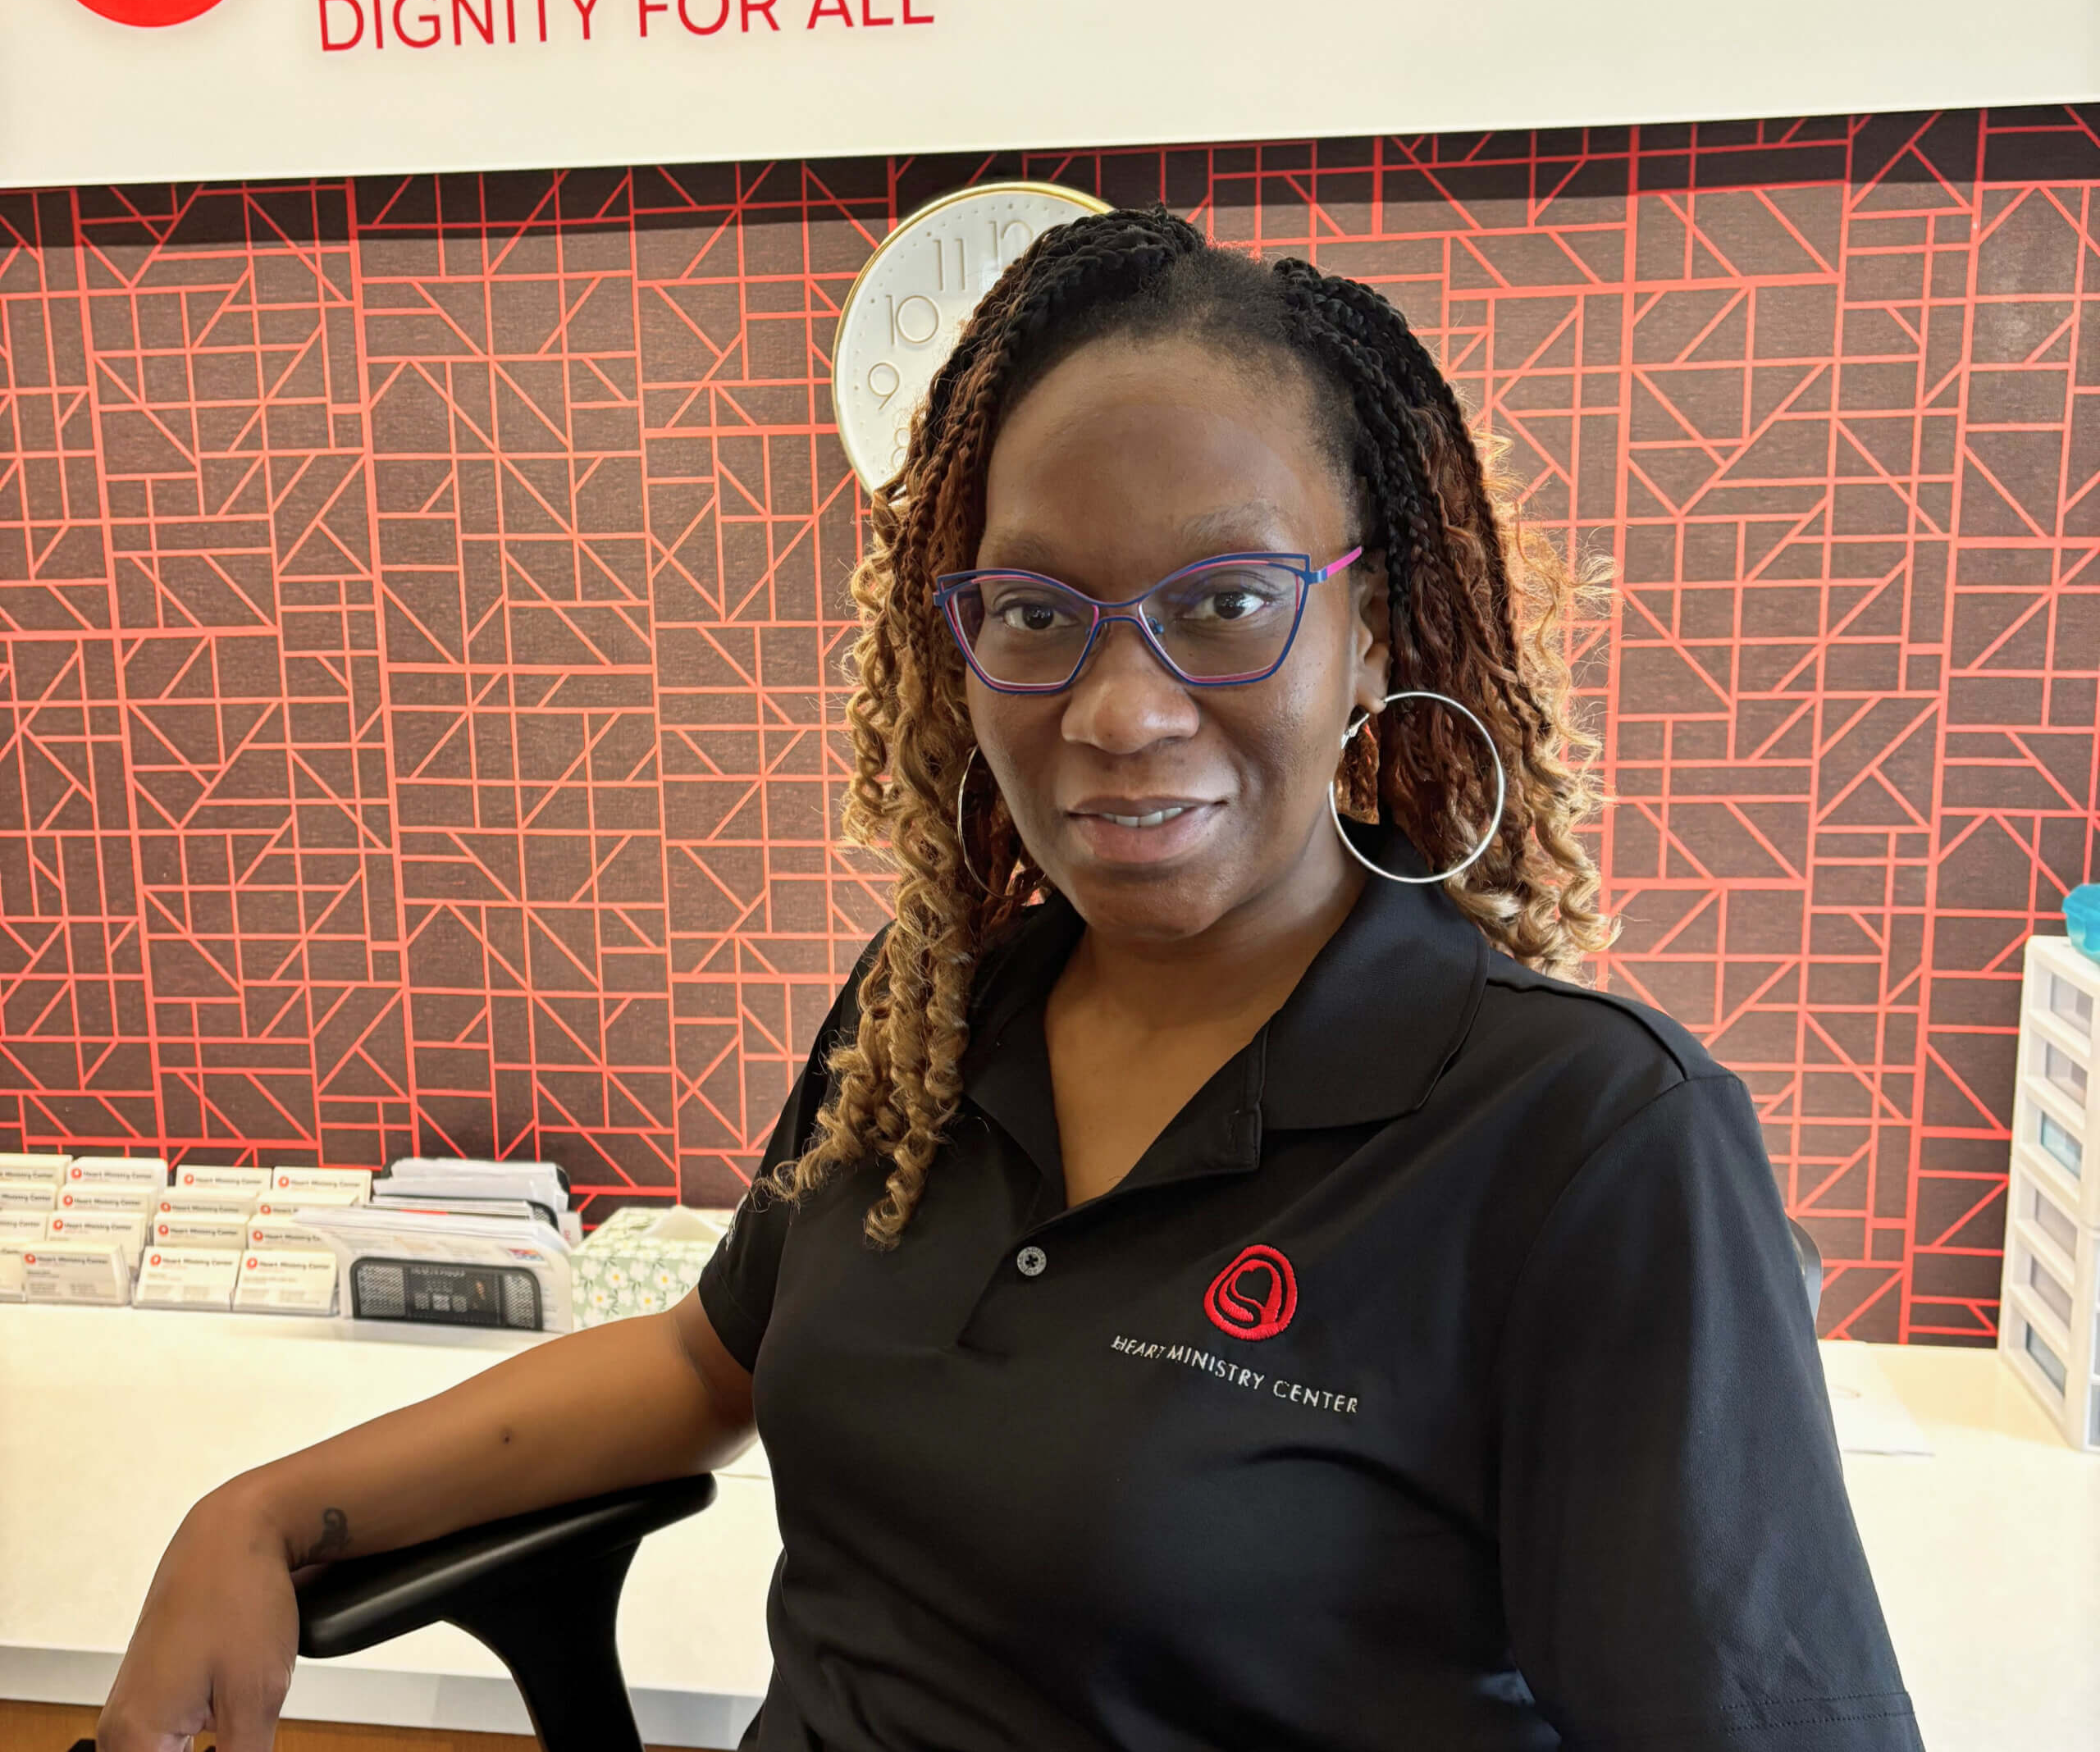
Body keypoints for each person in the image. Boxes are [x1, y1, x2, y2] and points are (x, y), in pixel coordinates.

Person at [98, 209, 1922, 1752]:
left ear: (1369, 634)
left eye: (1225, 603)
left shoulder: (1583, 1144)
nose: (1120, 713)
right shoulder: (937, 1014)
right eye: (1038, 614)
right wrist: (265, 1512)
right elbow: (706, 1360)